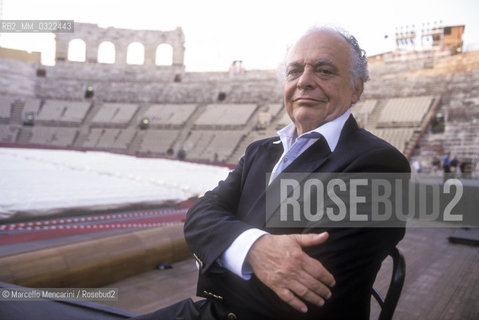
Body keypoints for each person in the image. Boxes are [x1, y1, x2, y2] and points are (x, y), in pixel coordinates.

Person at [134, 26, 410, 320]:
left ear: (356, 88)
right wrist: (254, 249)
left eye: (324, 71)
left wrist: (221, 248)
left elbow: (305, 297)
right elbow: (199, 216)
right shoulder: (260, 151)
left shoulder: (381, 165)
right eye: (294, 72)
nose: (304, 81)